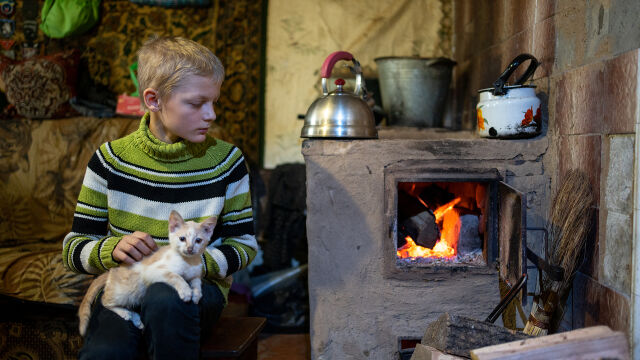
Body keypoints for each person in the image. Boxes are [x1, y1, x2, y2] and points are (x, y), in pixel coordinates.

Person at [62, 36, 258, 360]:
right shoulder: (110, 161)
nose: (210, 114)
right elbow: (74, 247)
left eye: (214, 102)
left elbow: (245, 245)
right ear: (153, 100)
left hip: (196, 290)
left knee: (166, 298)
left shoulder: (227, 163)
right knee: (105, 353)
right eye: (196, 104)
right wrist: (111, 249)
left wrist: (188, 263)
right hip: (128, 284)